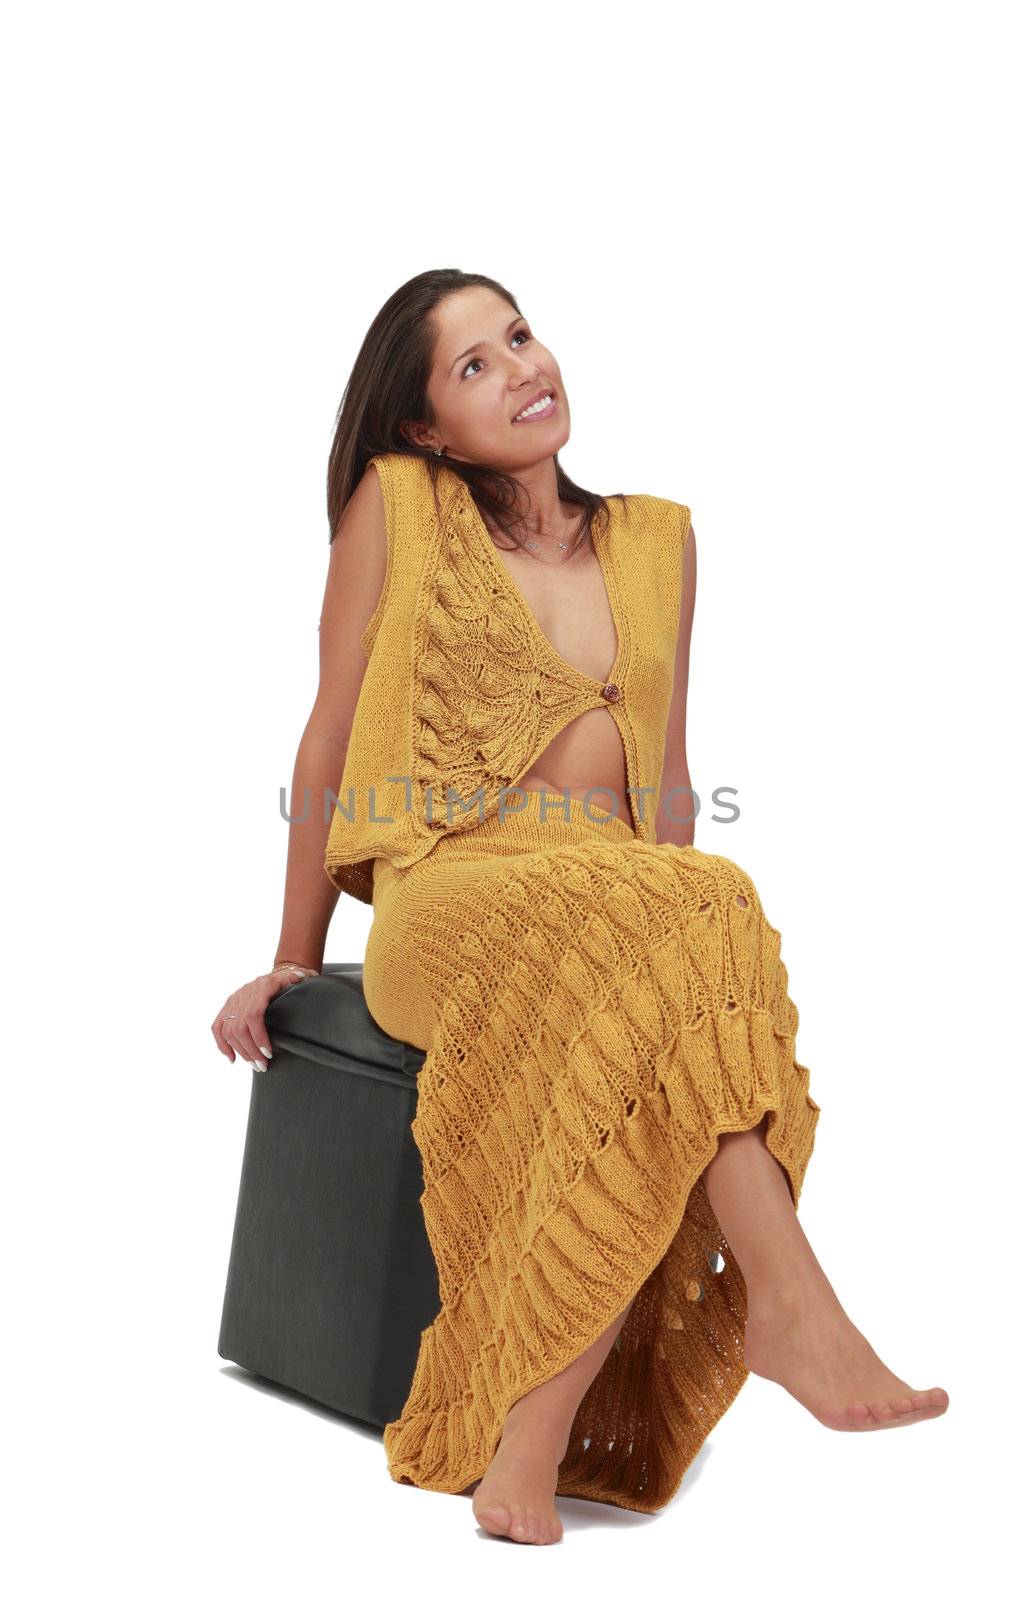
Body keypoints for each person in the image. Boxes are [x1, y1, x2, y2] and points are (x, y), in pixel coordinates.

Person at [212, 268, 949, 1546]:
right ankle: (781, 1297)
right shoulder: (399, 505)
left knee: (692, 902)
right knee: (681, 914)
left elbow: (664, 778)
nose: (521, 366)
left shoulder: (657, 539)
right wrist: (291, 956)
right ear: (427, 427)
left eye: (519, 333)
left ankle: (528, 1447)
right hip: (449, 895)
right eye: (473, 366)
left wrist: (667, 914)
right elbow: (331, 729)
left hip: (607, 908)